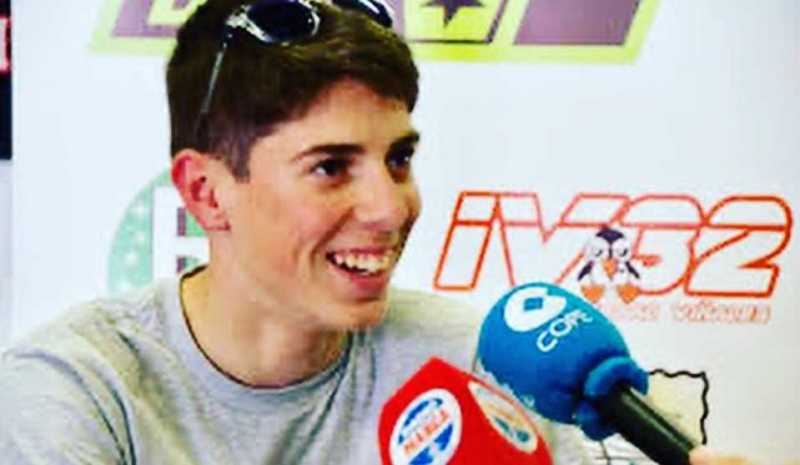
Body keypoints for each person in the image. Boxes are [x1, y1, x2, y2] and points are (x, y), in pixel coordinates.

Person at [0, 0, 776, 464]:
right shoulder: (76, 390)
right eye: (331, 166)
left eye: (398, 158)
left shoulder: (475, 360)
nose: (392, 206)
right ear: (207, 191)